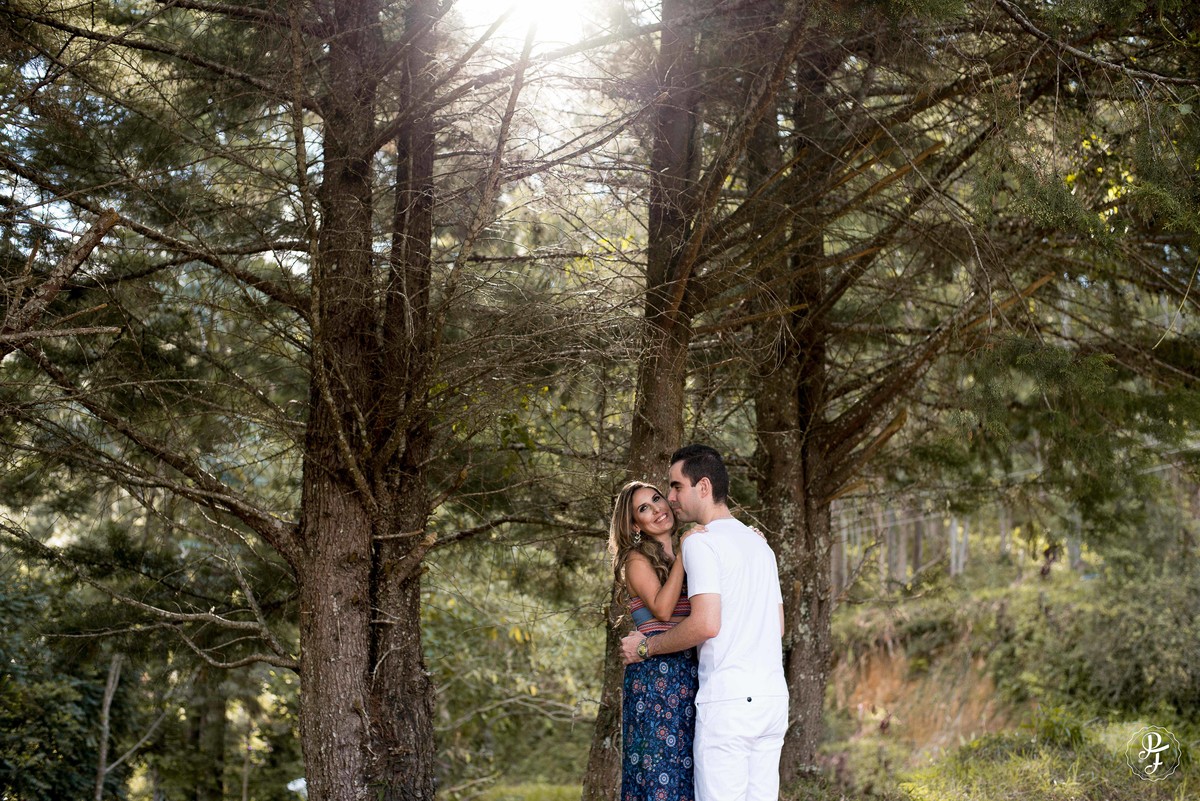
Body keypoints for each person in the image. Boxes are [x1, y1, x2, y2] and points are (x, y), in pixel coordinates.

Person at [620, 445, 788, 801]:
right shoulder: (760, 546)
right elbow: (778, 627)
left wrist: (647, 646)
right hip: (771, 699)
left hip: (727, 699)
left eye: (675, 487)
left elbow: (706, 624)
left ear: (704, 487)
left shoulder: (699, 543)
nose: (669, 499)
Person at [609, 480, 699, 801]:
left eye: (657, 499)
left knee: (688, 778)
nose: (657, 509)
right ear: (636, 524)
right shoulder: (636, 560)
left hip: (689, 675)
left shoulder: (689, 550)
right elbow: (662, 609)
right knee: (658, 779)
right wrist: (684, 554)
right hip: (654, 682)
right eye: (644, 508)